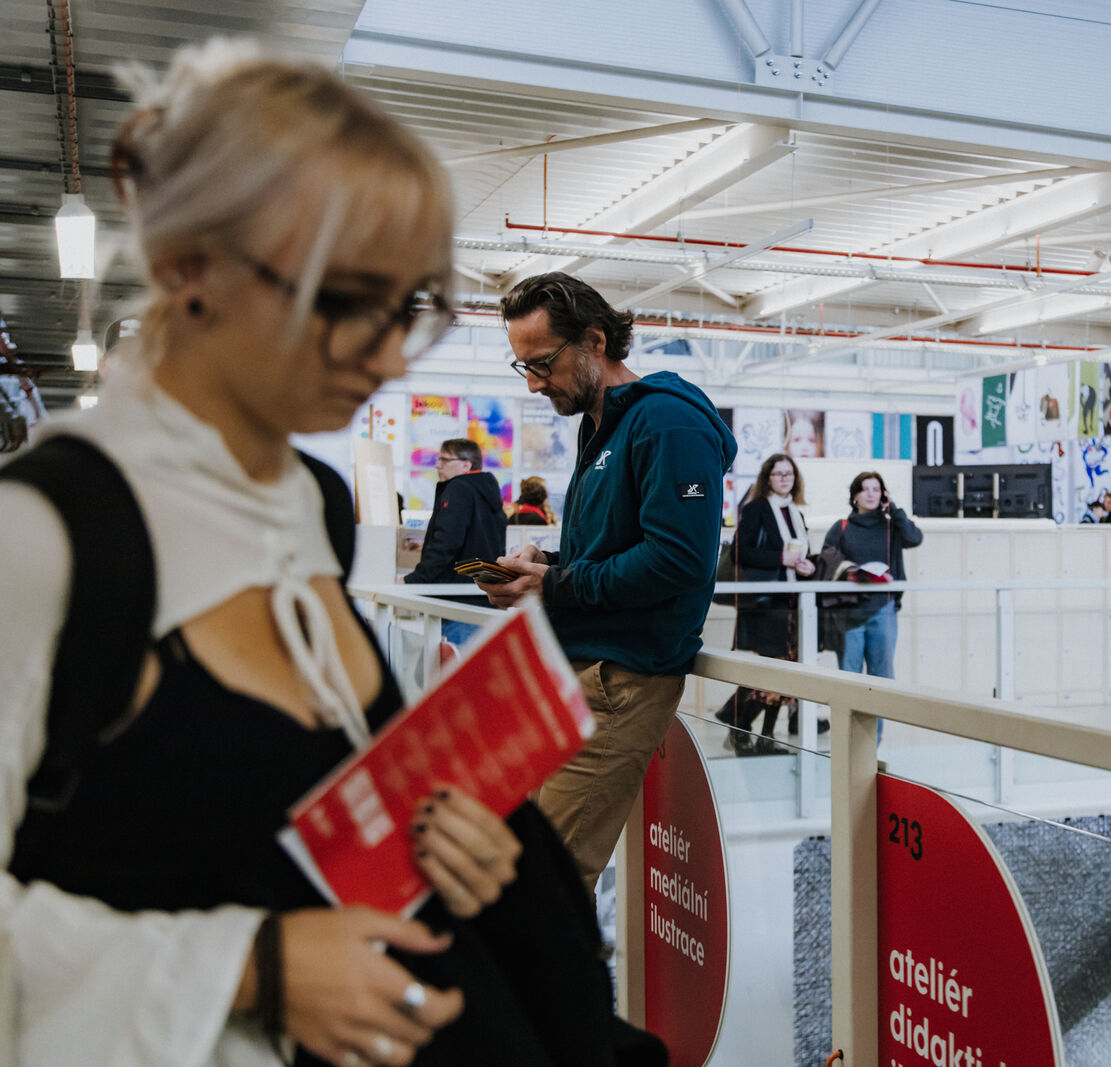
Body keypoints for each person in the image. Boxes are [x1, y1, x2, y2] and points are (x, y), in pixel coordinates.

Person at [0, 43, 660, 1067]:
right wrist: (250, 966)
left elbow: (293, 817)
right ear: (190, 269)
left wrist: (456, 853)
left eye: (407, 309)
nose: (388, 355)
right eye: (344, 298)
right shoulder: (45, 538)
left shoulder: (303, 501)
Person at [479, 272, 737, 892]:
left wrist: (555, 585)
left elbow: (677, 560)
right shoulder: (602, 427)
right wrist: (547, 564)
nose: (535, 383)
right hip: (577, 671)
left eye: (543, 364)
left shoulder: (668, 424)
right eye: (524, 367)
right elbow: (611, 549)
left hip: (620, 680)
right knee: (522, 870)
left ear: (595, 340)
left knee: (545, 893)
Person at [715, 453, 817, 755]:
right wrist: (780, 558)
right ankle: (738, 720)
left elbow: (799, 554)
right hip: (765, 603)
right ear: (767, 478)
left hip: (791, 601)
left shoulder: (796, 513)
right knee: (770, 668)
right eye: (778, 474)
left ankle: (766, 735)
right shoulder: (756, 508)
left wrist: (806, 565)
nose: (785, 479)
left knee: (787, 670)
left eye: (789, 474)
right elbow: (740, 552)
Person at [820, 472, 924, 732]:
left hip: (883, 610)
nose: (870, 494)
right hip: (849, 613)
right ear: (854, 495)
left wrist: (894, 509)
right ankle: (847, 741)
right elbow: (827, 560)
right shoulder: (842, 527)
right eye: (864, 489)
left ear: (883, 495)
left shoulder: (891, 526)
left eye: (876, 489)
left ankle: (873, 743)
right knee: (849, 679)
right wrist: (853, 572)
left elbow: (914, 538)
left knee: (881, 679)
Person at [405, 438, 508, 645]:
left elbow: (446, 543)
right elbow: (473, 539)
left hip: (455, 601)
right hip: (481, 597)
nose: (437, 465)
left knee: (449, 661)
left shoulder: (459, 488)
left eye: (444, 460)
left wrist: (413, 580)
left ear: (466, 465)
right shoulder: (485, 491)